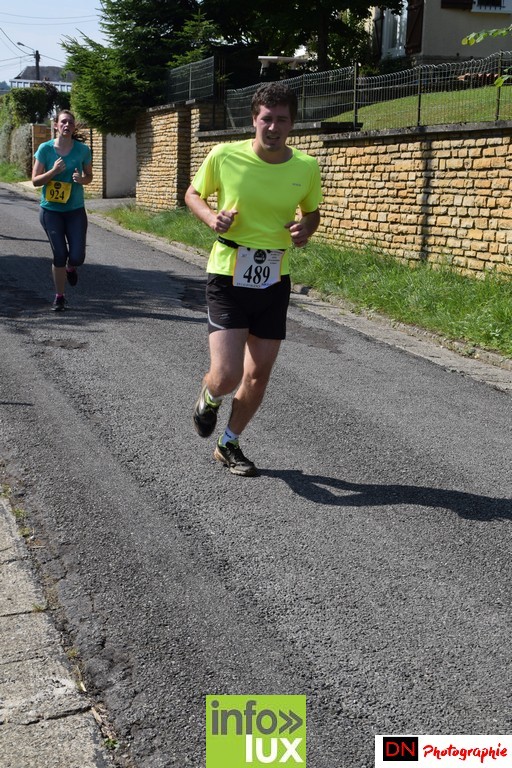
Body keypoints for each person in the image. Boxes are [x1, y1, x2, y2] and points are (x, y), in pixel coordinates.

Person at [185, 82, 323, 477]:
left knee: (258, 374)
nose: (273, 127)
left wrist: (306, 228)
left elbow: (312, 212)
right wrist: (212, 218)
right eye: (267, 119)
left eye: (282, 120)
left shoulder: (306, 167)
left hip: (274, 278)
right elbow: (193, 194)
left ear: (292, 123)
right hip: (228, 273)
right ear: (254, 120)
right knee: (227, 374)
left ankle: (228, 443)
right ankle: (210, 395)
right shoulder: (225, 155)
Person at [32, 110, 93, 311]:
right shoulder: (45, 149)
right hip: (51, 211)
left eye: (70, 123)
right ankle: (59, 297)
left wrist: (81, 179)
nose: (67, 125)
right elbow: (35, 181)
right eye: (63, 122)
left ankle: (71, 267)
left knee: (77, 256)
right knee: (59, 254)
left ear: (74, 127)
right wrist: (53, 171)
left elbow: (89, 176)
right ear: (56, 125)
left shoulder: (83, 150)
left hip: (75, 210)